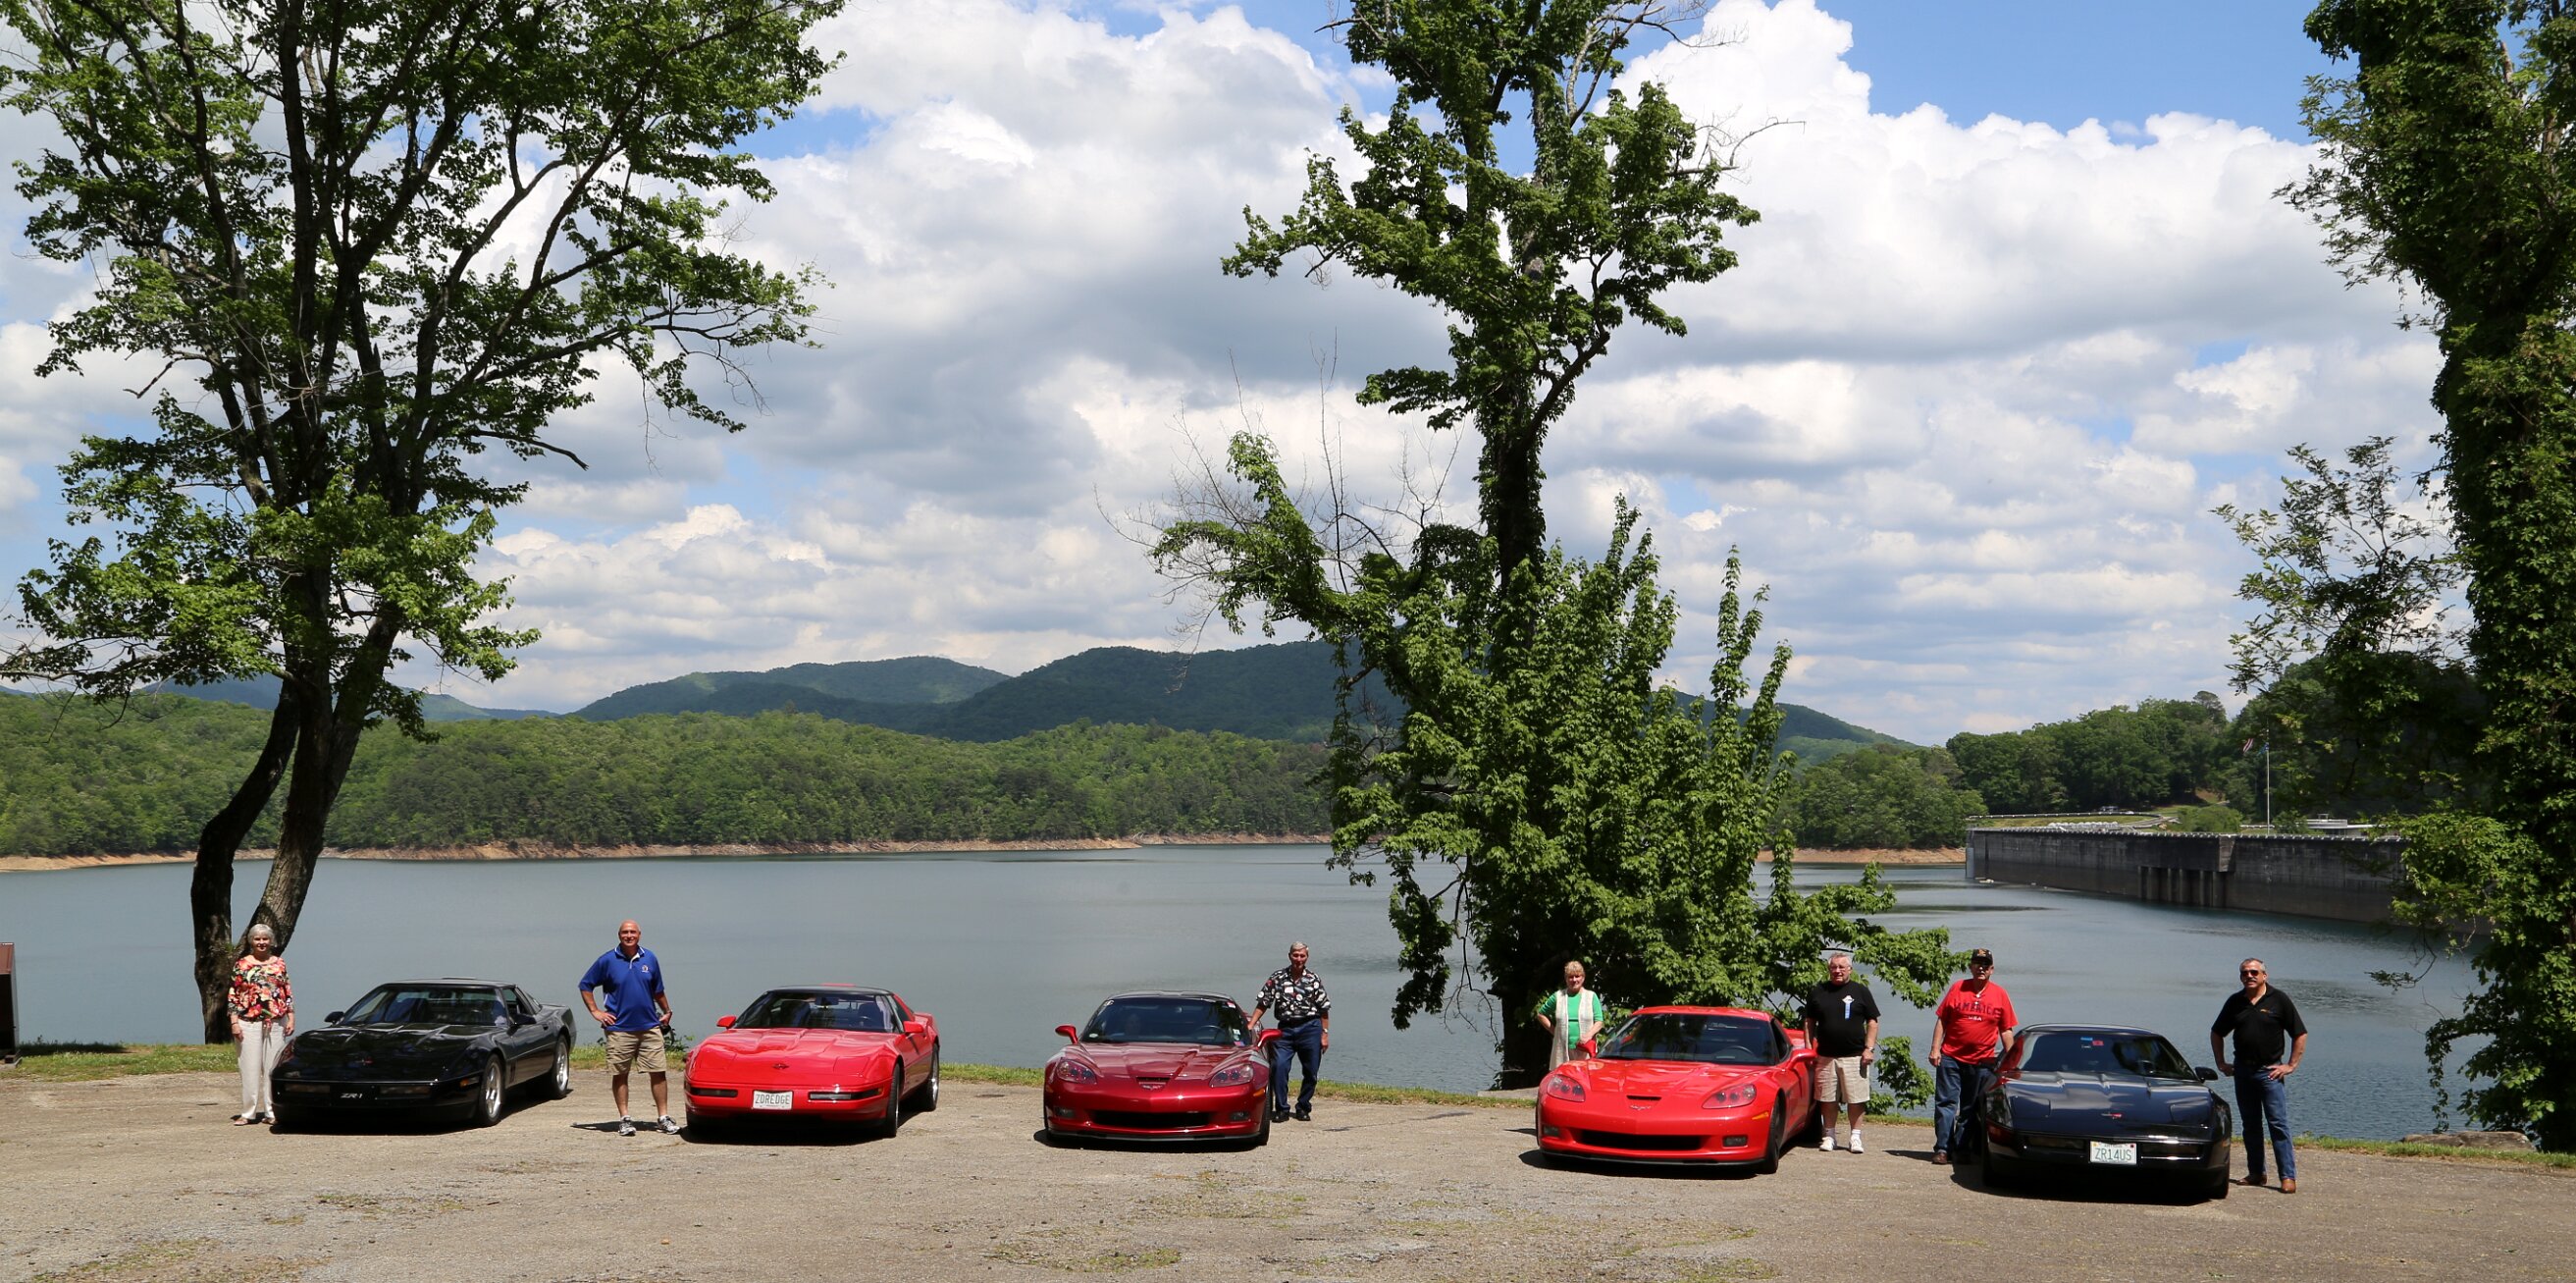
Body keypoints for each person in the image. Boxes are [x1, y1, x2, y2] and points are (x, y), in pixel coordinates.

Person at [2211, 956, 2308, 1193]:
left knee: (2278, 1124)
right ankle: (2256, 1173)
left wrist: (2290, 1065)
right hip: (2243, 1072)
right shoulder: (2235, 1002)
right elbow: (2217, 1032)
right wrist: (2221, 1062)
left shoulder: (2279, 1000)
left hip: (2270, 1073)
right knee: (2250, 1125)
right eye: (2245, 973)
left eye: (2254, 972)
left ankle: (2287, 1177)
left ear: (2264, 975)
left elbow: (2300, 1033)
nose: (2249, 976)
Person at [578, 919, 675, 1137]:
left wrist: (667, 1010)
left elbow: (658, 989)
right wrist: (596, 1012)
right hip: (620, 1028)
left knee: (658, 1072)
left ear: (639, 934)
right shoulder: (607, 960)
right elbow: (585, 985)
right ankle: (624, 1119)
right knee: (621, 1074)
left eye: (632, 932)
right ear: (619, 935)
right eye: (625, 932)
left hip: (650, 1026)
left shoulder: (650, 958)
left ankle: (663, 1118)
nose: (629, 935)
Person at [1928, 947, 2016, 1163]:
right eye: (1977, 964)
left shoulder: (2000, 994)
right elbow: (1943, 1020)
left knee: (1970, 1107)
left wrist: (2013, 1060)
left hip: (1982, 1061)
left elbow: (2006, 1030)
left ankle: (1962, 1148)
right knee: (1946, 1103)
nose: (1981, 968)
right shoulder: (1958, 988)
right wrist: (1935, 1048)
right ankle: (1943, 1149)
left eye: (1985, 965)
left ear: (1992, 969)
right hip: (1950, 1057)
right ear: (1971, 967)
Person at [1802, 952, 1880, 1153]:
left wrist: (1869, 1049)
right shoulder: (1818, 991)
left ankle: (1855, 1137)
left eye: (1841, 967)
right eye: (1833, 967)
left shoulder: (1860, 991)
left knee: (1856, 1099)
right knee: (1827, 1098)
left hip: (1855, 1056)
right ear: (1829, 969)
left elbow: (1872, 1022)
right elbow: (1809, 1022)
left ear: (1850, 969)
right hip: (1825, 1056)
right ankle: (1829, 1136)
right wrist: (1809, 1049)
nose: (1837, 971)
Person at [1246, 940, 1330, 1123]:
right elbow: (1263, 1003)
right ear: (1289, 956)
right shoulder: (1278, 977)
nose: (1298, 959)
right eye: (1295, 955)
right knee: (1279, 1067)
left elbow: (1324, 1009)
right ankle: (1281, 1108)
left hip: (1310, 1028)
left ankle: (1303, 1106)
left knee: (1311, 1071)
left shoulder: (1313, 979)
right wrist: (1251, 1024)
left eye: (1302, 956)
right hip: (1285, 1030)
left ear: (1307, 957)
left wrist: (1324, 1034)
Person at [227, 923, 293, 1126]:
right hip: (248, 1022)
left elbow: (286, 991)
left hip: (276, 1022)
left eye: (265, 939)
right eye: (257, 939)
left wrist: (291, 1016)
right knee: (250, 1068)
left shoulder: (279, 963)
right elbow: (233, 994)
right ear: (251, 941)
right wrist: (234, 1022)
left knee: (272, 1068)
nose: (262, 942)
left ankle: (272, 1111)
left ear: (271, 941)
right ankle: (248, 1112)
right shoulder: (242, 964)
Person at [1534, 961, 1606, 1071]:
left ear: (1583, 977)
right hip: (1562, 1049)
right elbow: (1541, 1014)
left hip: (1585, 1049)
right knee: (1563, 1078)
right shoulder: (1558, 996)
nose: (1574, 980)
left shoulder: (1591, 997)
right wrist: (1555, 1031)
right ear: (1566, 979)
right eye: (1570, 977)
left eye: (1577, 976)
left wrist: (1588, 1035)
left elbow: (1599, 1022)